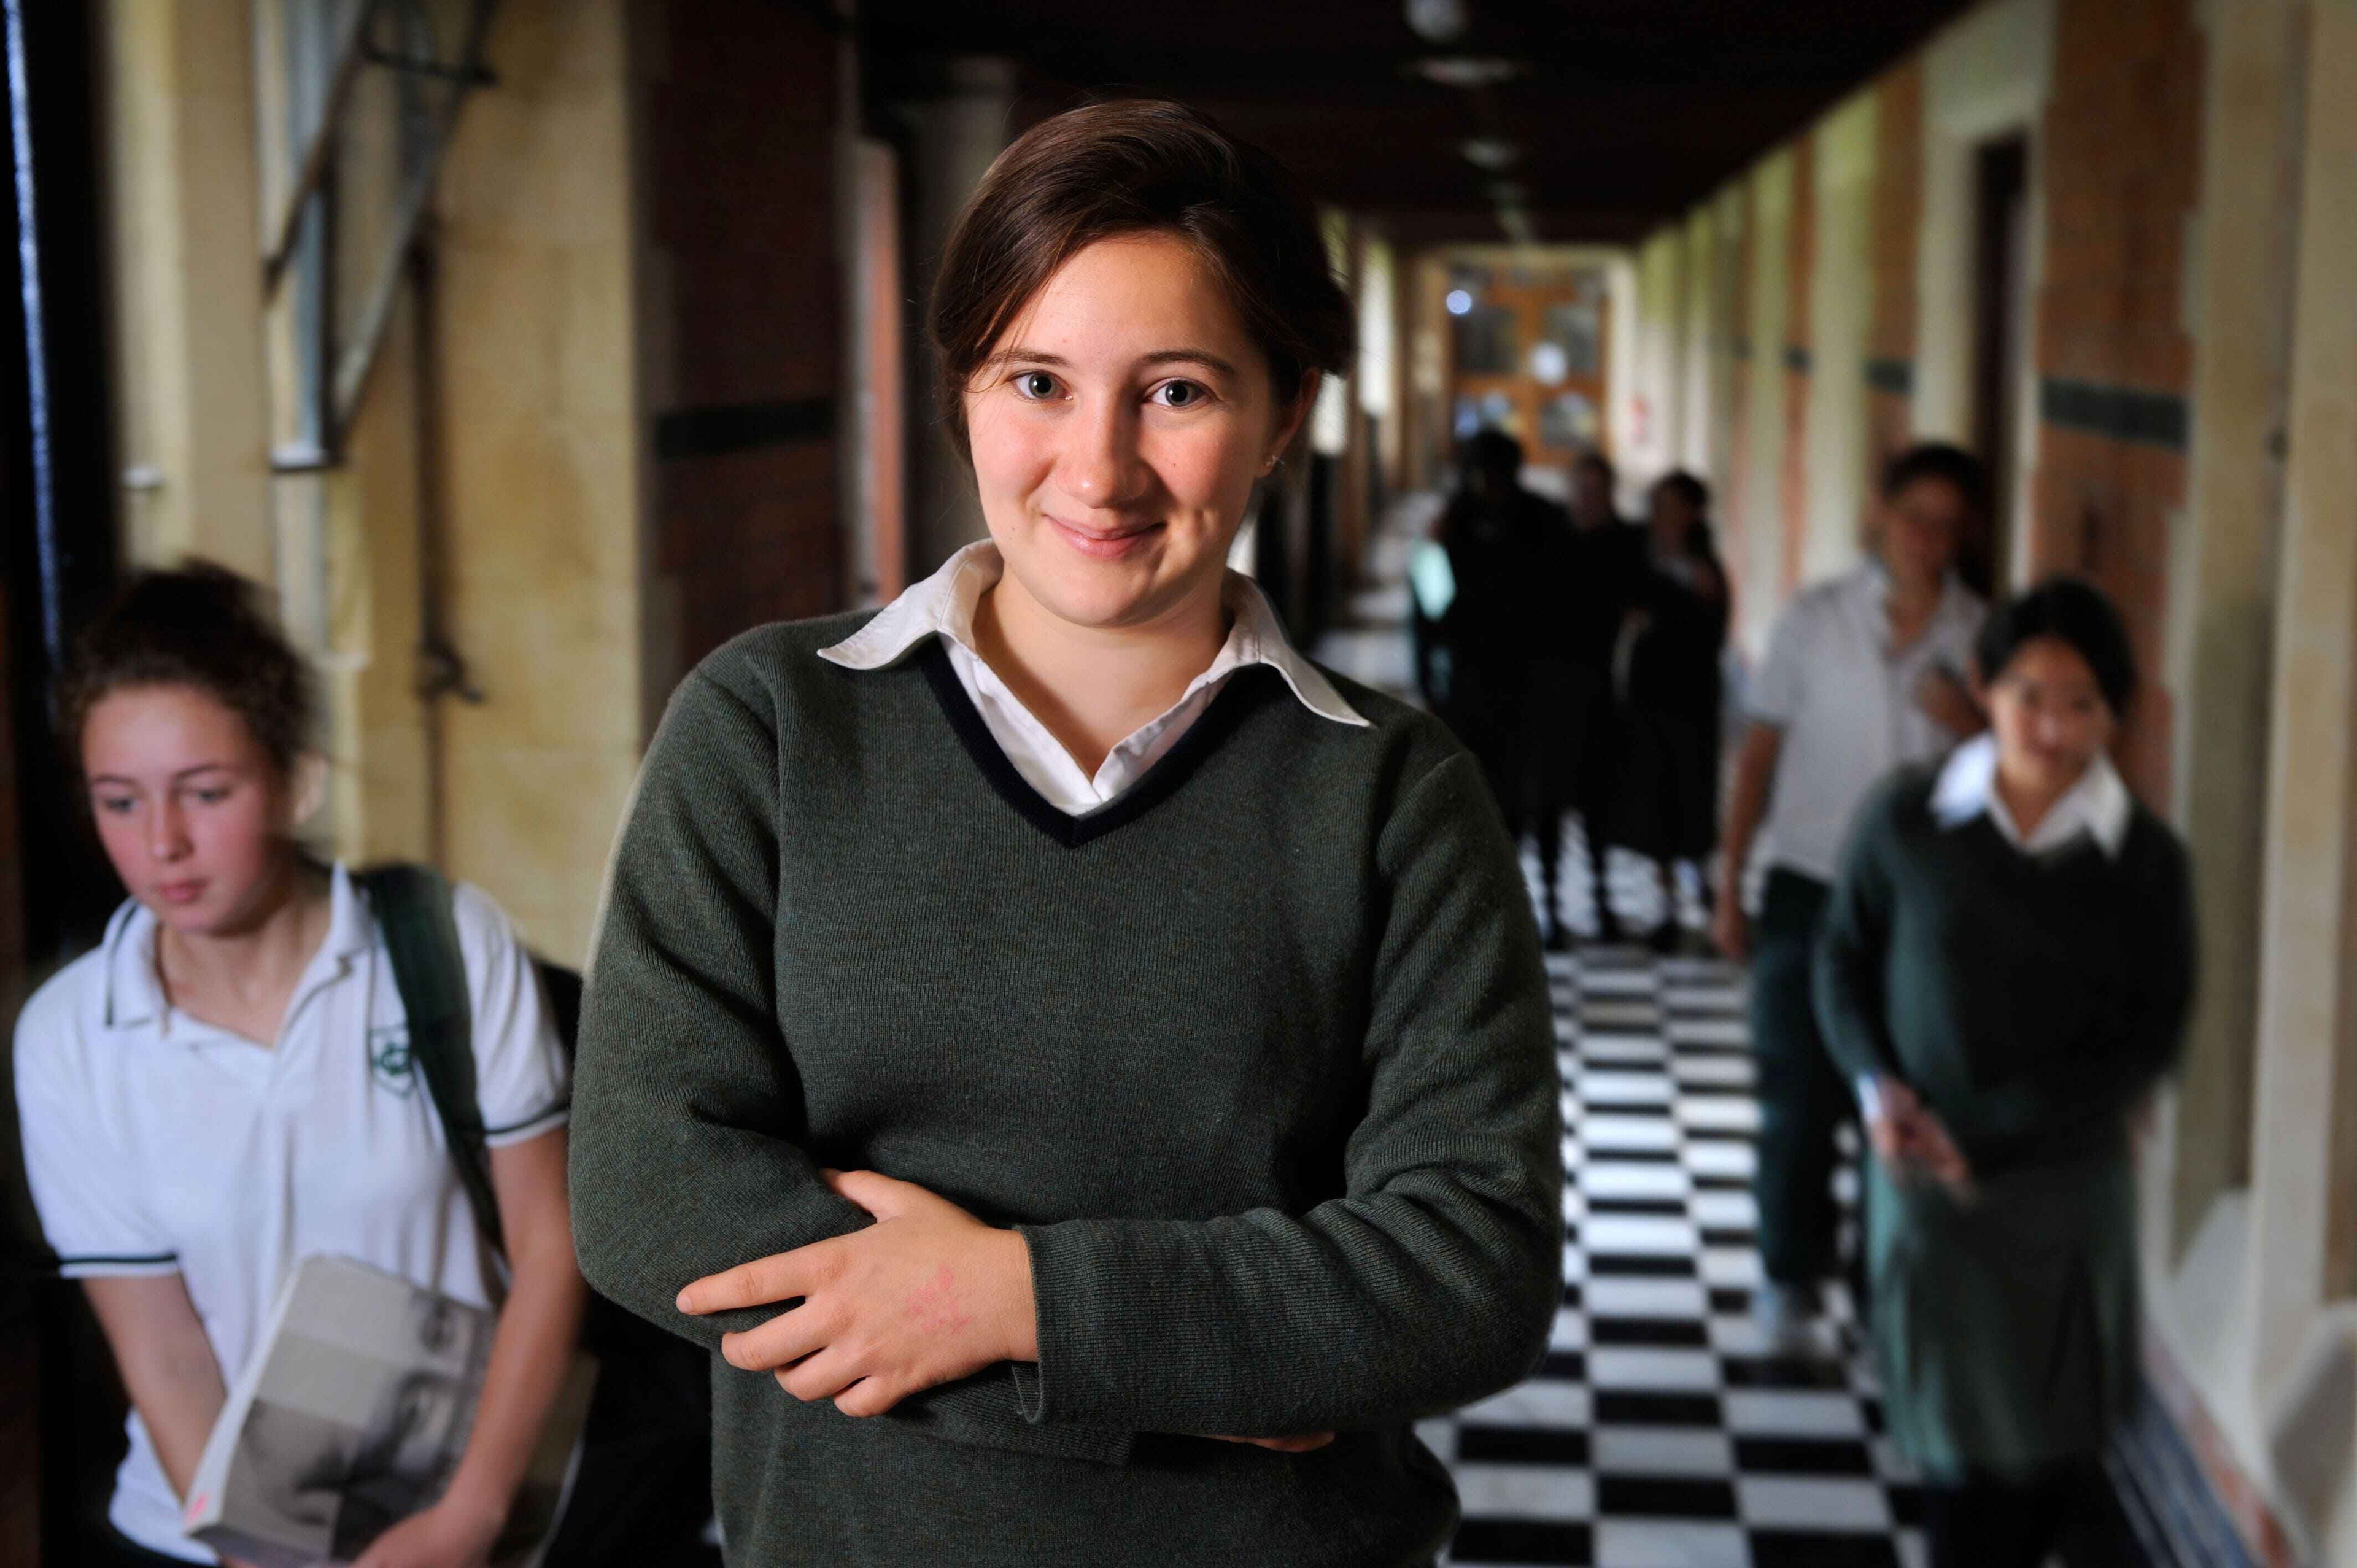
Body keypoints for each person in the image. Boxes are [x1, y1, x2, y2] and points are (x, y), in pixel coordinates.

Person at [567, 99, 1564, 1568]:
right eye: (1036, 381)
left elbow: (1468, 1274)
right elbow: (648, 1196)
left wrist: (1002, 1299)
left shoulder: (1395, 797)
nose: (1096, 471)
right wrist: (1218, 1371)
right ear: (964, 388)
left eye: (1174, 392)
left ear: (1286, 409)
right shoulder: (770, 730)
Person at [12, 565, 587, 1568]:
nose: (163, 845)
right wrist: (253, 1555)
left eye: (206, 792)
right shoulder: (71, 1036)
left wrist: (471, 1518)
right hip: (205, 1541)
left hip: (466, 1512)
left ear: (293, 779)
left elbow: (551, 1241)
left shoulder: (447, 948)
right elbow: (164, 1349)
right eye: (118, 801)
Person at [1814, 578, 2190, 1567]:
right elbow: (1841, 960)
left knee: (2048, 1468)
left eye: (2082, 704)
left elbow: (2145, 1040)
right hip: (1932, 1200)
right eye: (2029, 692)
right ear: (1984, 687)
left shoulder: (2142, 861)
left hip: (2062, 1195)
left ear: (2116, 713)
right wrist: (1874, 1085)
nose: (2052, 726)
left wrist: (1984, 1131)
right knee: (1958, 1472)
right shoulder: (1908, 820)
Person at [1712, 442, 1990, 1353]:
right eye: (1916, 517)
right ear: (1883, 515)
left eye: (1948, 523)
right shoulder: (1814, 621)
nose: (1928, 538)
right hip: (1807, 884)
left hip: (1927, 906)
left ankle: (1883, 1293)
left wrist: (1976, 726)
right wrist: (1730, 885)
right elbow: (1758, 757)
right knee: (1799, 1092)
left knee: (1904, 1094)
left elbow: (2019, 781)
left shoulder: (1983, 639)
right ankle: (1789, 1272)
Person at [1429, 427, 1581, 946]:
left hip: (1532, 681)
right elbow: (1431, 609)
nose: (1487, 483)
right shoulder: (1455, 523)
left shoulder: (1543, 521)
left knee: (1539, 800)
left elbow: (1567, 606)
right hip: (1478, 684)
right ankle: (1501, 909)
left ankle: (1547, 903)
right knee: (1488, 800)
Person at [1612, 471, 1729, 952]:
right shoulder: (1640, 553)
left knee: (1693, 794)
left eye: (1672, 506)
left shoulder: (1706, 567)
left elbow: (1711, 630)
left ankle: (1701, 888)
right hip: (1649, 695)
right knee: (1654, 797)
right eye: (1658, 505)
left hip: (1693, 698)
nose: (1663, 515)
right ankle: (1663, 905)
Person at [1560, 447, 1646, 940]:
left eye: (1599, 491)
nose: (1590, 500)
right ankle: (1547, 900)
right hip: (1552, 696)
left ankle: (1602, 897)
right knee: (1548, 806)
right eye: (1583, 489)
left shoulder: (1628, 543)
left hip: (1605, 692)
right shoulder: (1550, 537)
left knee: (1600, 801)